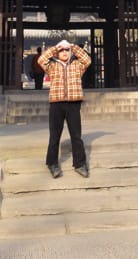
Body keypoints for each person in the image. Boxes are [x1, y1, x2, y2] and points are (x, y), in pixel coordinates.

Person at [37, 39, 92, 179]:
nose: (64, 52)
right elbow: (41, 60)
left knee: (76, 135)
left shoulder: (77, 65)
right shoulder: (52, 66)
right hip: (57, 103)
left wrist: (72, 46)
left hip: (73, 103)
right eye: (61, 50)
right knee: (54, 136)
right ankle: (52, 164)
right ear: (57, 53)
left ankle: (80, 164)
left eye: (66, 50)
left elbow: (87, 60)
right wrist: (56, 48)